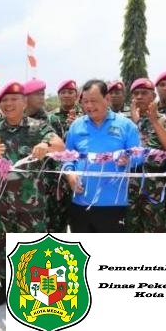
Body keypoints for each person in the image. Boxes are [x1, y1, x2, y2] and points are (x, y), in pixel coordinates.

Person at [0, 81, 65, 306]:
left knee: (33, 247)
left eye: (14, 99)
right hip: (1, 204)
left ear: (24, 102)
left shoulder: (38, 128)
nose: (9, 104)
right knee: (1, 245)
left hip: (31, 203)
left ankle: (33, 292)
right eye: (4, 100)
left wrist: (45, 147)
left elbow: (60, 146)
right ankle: (4, 287)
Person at [64, 80, 141, 233]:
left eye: (93, 101)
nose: (89, 106)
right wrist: (70, 174)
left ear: (106, 99)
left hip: (113, 204)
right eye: (85, 102)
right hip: (80, 203)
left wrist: (129, 159)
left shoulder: (126, 126)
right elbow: (68, 157)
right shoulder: (76, 126)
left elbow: (139, 155)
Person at [124, 78, 166, 233]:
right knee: (130, 229)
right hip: (130, 187)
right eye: (136, 94)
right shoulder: (126, 122)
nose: (139, 97)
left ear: (153, 97)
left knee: (155, 229)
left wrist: (153, 121)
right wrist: (137, 122)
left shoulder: (163, 118)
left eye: (144, 93)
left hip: (155, 187)